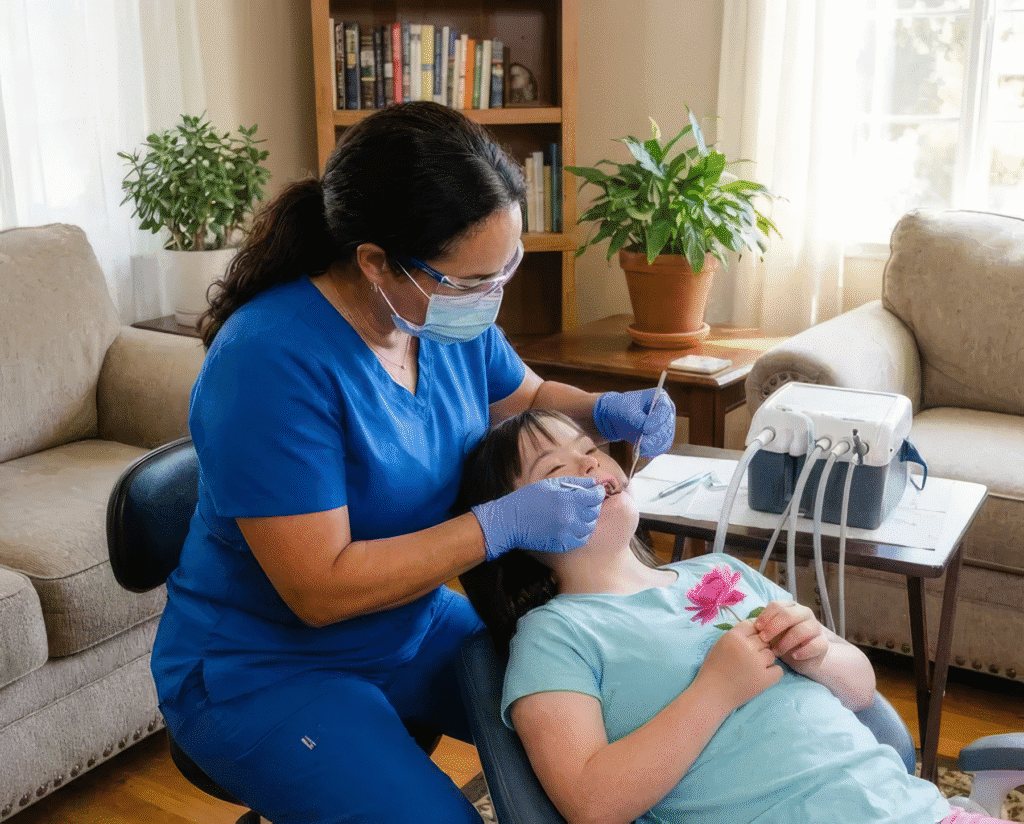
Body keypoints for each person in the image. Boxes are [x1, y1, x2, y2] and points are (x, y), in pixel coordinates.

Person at [148, 101, 677, 824]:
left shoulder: (439, 312)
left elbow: (520, 395)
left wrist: (601, 409)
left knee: (600, 736)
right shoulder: (269, 362)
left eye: (507, 268)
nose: (493, 297)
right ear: (375, 263)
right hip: (265, 667)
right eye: (474, 281)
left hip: (412, 625)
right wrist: (499, 526)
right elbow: (319, 590)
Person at [455, 409, 1011, 824]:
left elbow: (863, 691)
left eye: (590, 448)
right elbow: (590, 802)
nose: (592, 463)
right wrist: (715, 691)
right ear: (518, 528)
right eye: (557, 467)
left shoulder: (722, 570)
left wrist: (818, 649)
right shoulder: (555, 636)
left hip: (917, 812)